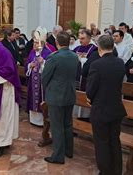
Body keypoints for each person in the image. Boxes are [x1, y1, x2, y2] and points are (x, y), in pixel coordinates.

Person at [85, 35, 126, 174]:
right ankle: (117, 170)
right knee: (115, 141)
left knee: (102, 142)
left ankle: (105, 171)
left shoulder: (97, 65)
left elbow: (90, 89)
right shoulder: (120, 63)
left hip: (101, 109)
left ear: (99, 48)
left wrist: (89, 97)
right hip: (116, 108)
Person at [41, 31, 78, 164]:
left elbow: (45, 77)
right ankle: (69, 150)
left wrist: (48, 88)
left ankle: (57, 156)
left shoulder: (54, 57)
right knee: (68, 124)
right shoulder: (75, 56)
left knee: (57, 126)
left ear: (57, 43)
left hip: (56, 96)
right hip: (70, 94)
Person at [25, 27, 51, 128]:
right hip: (33, 82)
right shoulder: (32, 52)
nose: (34, 45)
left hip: (42, 84)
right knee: (33, 98)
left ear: (42, 43)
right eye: (34, 42)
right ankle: (33, 119)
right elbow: (27, 63)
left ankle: (42, 120)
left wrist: (43, 63)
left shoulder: (48, 53)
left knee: (41, 98)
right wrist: (29, 66)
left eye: (36, 43)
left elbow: (50, 69)